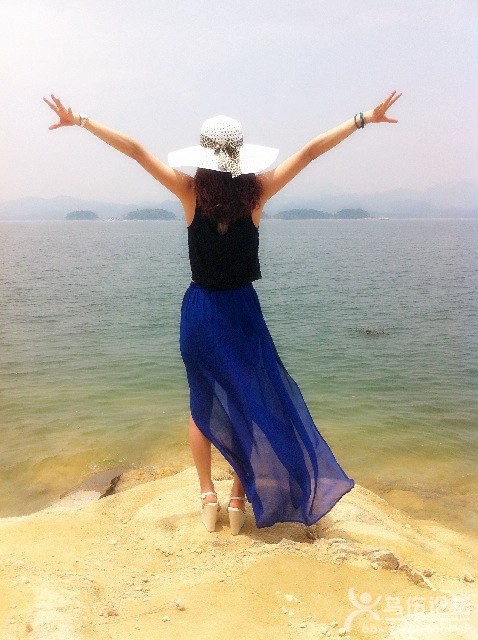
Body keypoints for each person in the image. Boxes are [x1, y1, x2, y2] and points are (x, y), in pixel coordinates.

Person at [43, 90, 401, 535]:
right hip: (241, 313)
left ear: (205, 155)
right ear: (239, 154)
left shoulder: (189, 193)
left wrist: (80, 120)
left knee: (202, 405)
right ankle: (237, 500)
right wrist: (362, 119)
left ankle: (206, 496)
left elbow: (135, 151)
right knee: (246, 403)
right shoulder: (257, 195)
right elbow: (310, 152)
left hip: (200, 313)